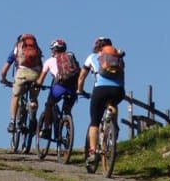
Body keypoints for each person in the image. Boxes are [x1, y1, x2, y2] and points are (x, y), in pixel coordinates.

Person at [76, 37, 125, 167]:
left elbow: (81, 77)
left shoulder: (92, 57)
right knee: (112, 103)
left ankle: (92, 152)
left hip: (100, 90)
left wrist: (79, 90)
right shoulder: (118, 56)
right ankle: (113, 123)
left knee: (94, 122)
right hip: (118, 90)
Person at [0, 33, 43, 135]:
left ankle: (12, 122)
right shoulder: (37, 50)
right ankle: (33, 118)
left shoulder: (17, 49)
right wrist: (38, 80)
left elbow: (4, 69)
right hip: (35, 75)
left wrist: (3, 79)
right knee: (33, 99)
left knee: (15, 96)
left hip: (21, 74)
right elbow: (42, 67)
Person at [34, 39, 80, 136]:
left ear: (54, 50)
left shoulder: (49, 61)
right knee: (67, 111)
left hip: (60, 87)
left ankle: (46, 129)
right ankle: (68, 133)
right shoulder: (70, 58)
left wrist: (37, 84)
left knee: (49, 105)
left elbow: (40, 80)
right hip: (73, 88)